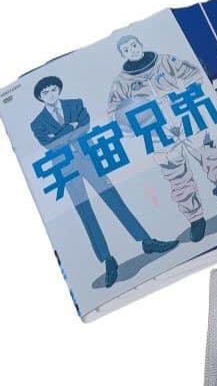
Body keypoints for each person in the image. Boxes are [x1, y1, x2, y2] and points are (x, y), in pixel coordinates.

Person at [30, 76, 178, 288]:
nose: (51, 95)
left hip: (89, 158)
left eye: (53, 89)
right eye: (45, 93)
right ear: (40, 97)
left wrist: (61, 134)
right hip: (65, 167)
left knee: (114, 199)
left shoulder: (75, 104)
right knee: (85, 212)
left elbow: (84, 126)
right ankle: (108, 260)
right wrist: (70, 128)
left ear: (59, 90)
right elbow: (49, 144)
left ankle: (146, 241)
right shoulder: (37, 123)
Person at [108, 35, 217, 242]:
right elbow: (114, 114)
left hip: (185, 118)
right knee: (176, 176)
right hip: (157, 132)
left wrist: (187, 93)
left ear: (140, 44)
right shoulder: (122, 83)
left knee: (210, 157)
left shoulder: (165, 61)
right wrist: (136, 125)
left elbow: (194, 74)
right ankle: (196, 219)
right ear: (122, 55)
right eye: (126, 50)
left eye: (134, 45)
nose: (132, 50)